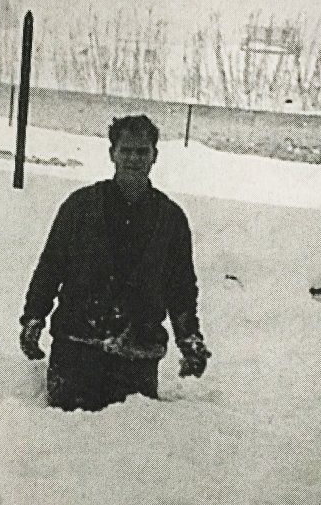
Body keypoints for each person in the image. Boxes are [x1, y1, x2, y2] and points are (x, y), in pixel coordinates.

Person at [19, 114, 211, 411]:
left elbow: (181, 289)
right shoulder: (80, 207)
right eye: (126, 150)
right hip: (76, 350)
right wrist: (33, 318)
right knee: (63, 440)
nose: (134, 159)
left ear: (154, 156)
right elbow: (50, 267)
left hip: (136, 357)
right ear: (112, 154)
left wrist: (190, 342)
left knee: (128, 443)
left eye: (142, 151)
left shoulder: (171, 219)